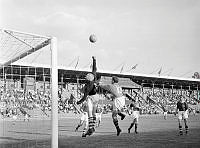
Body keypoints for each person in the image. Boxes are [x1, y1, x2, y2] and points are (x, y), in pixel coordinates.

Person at [77, 56, 99, 136]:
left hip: (91, 97)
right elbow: (94, 69)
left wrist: (79, 102)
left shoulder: (87, 87)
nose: (86, 76)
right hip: (96, 97)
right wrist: (94, 60)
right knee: (93, 113)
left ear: (88, 79)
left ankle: (91, 128)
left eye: (86, 76)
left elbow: (84, 97)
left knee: (89, 113)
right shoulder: (93, 77)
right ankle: (93, 127)